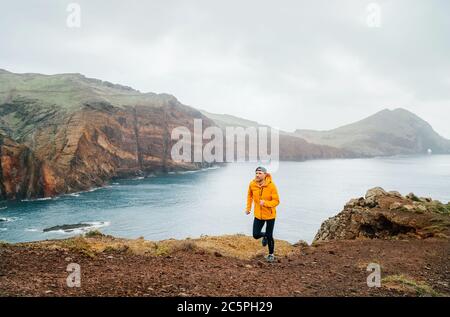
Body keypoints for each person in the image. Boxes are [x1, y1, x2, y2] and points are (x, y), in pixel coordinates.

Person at [245, 166, 280, 262]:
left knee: (270, 236)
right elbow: (249, 196)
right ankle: (265, 235)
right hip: (258, 214)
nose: (257, 175)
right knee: (255, 235)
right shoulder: (252, 184)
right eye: (256, 173)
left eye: (260, 173)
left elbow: (276, 201)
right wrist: (248, 208)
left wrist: (266, 203)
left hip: (270, 215)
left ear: (265, 174)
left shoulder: (271, 186)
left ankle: (271, 254)